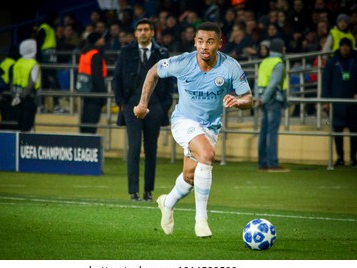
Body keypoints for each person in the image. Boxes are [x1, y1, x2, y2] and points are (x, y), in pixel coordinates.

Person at [133, 22, 253, 237]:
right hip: (184, 121)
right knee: (207, 155)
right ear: (195, 42)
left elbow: (248, 99)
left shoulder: (230, 66)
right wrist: (143, 104)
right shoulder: (183, 62)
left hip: (210, 126)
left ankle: (167, 203)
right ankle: (201, 220)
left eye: (210, 41)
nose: (204, 46)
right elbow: (153, 72)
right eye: (200, 41)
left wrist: (238, 101)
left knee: (190, 176)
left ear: (219, 43)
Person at [113, 18, 174, 202]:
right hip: (131, 105)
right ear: (135, 33)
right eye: (139, 29)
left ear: (152, 32)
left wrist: (164, 106)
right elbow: (116, 79)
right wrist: (122, 103)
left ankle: (148, 191)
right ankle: (133, 192)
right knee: (133, 149)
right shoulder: (126, 52)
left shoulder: (162, 52)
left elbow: (170, 81)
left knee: (151, 150)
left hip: (155, 107)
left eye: (146, 29)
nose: (143, 32)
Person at [255, 38, 290, 172]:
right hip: (273, 100)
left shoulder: (264, 62)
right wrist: (264, 99)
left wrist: (259, 98)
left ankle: (262, 163)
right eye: (283, 47)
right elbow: (273, 84)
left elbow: (258, 82)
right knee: (271, 133)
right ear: (280, 49)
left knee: (263, 132)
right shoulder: (279, 63)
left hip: (263, 100)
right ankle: (272, 163)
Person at [322, 37, 357, 167]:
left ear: (350, 47)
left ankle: (354, 158)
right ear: (340, 47)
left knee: (354, 132)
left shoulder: (355, 60)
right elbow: (326, 82)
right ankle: (340, 157)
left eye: (347, 46)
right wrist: (325, 100)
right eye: (343, 45)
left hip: (353, 104)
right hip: (336, 103)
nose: (345, 48)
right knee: (337, 131)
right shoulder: (332, 62)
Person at [76, 32, 108, 134]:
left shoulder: (85, 53)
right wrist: (103, 96)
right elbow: (97, 77)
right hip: (94, 93)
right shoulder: (96, 55)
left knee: (85, 122)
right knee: (92, 123)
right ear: (97, 40)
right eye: (101, 38)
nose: (103, 40)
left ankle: (84, 145)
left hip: (85, 90)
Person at [36, 10, 65, 113]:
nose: (57, 20)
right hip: (45, 60)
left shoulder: (51, 29)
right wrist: (39, 60)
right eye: (56, 18)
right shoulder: (44, 28)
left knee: (48, 83)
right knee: (49, 82)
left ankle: (47, 105)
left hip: (51, 59)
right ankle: (48, 106)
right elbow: (38, 44)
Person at [11, 39, 41, 132]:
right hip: (29, 98)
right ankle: (24, 144)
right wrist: (22, 96)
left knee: (19, 123)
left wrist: (15, 96)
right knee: (27, 124)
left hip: (16, 96)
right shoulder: (34, 64)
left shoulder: (17, 63)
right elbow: (32, 82)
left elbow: (12, 81)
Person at [0, 45, 20, 130]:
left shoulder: (3, 62)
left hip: (1, 95)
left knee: (4, 119)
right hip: (8, 95)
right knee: (10, 121)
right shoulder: (14, 65)